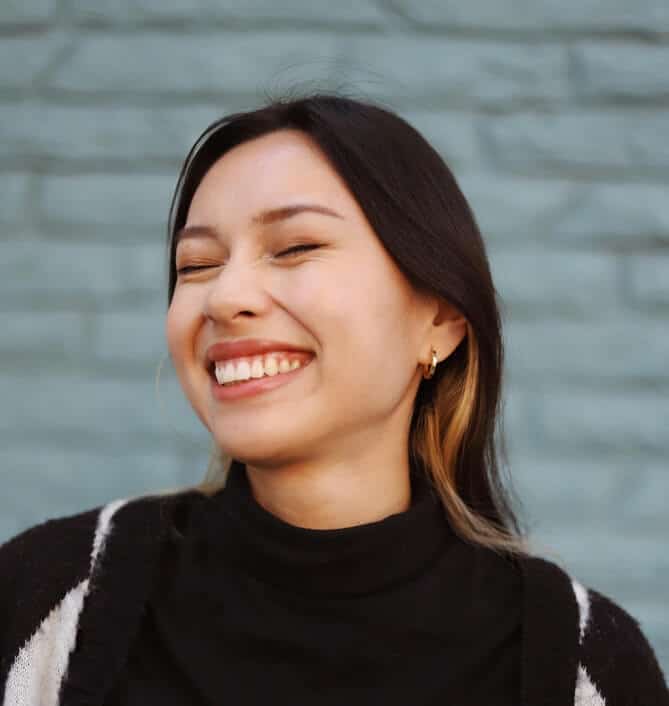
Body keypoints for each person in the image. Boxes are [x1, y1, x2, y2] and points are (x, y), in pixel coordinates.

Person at [1, 92, 667, 706]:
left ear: (438, 319)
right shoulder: (51, 601)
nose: (226, 298)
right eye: (196, 264)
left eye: (295, 247)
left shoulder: (578, 663)